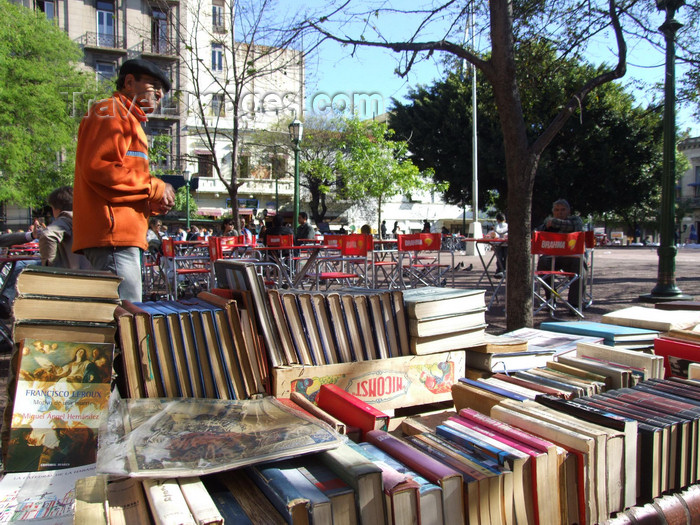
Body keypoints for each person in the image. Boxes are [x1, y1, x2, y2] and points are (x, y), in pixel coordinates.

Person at [73, 59, 175, 303]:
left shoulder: (125, 117)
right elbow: (101, 170)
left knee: (123, 321)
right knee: (126, 323)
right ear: (130, 82)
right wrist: (156, 187)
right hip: (114, 238)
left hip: (118, 236)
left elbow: (112, 180)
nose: (160, 93)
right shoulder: (112, 112)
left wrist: (151, 201)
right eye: (153, 85)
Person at [535, 199, 585, 311]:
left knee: (580, 266)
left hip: (572, 257)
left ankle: (574, 304)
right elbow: (538, 232)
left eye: (563, 210)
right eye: (557, 210)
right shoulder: (548, 221)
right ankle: (551, 298)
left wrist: (555, 223)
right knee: (542, 263)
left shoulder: (576, 220)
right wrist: (546, 227)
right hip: (553, 257)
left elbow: (574, 227)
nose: (560, 212)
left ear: (568, 211)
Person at [39, 186, 91, 269]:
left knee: (21, 265)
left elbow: (48, 235)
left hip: (71, 274)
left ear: (57, 210)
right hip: (95, 273)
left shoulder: (65, 220)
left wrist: (49, 267)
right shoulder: (90, 219)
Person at [485, 212, 508, 277]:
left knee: (499, 258)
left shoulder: (496, 227)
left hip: (498, 244)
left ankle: (500, 270)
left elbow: (492, 235)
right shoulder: (508, 226)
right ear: (505, 219)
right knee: (507, 258)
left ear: (497, 220)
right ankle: (506, 270)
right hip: (506, 244)